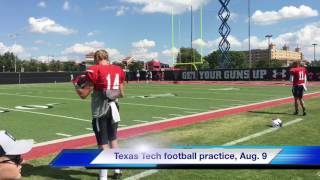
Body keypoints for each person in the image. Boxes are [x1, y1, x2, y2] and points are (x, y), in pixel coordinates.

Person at [73, 50, 125, 180]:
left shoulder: (94, 69)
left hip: (101, 110)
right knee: (113, 139)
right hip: (114, 107)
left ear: (96, 59)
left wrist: (75, 85)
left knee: (103, 143)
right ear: (107, 57)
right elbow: (122, 93)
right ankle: (117, 170)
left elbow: (83, 95)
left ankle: (103, 177)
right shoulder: (118, 69)